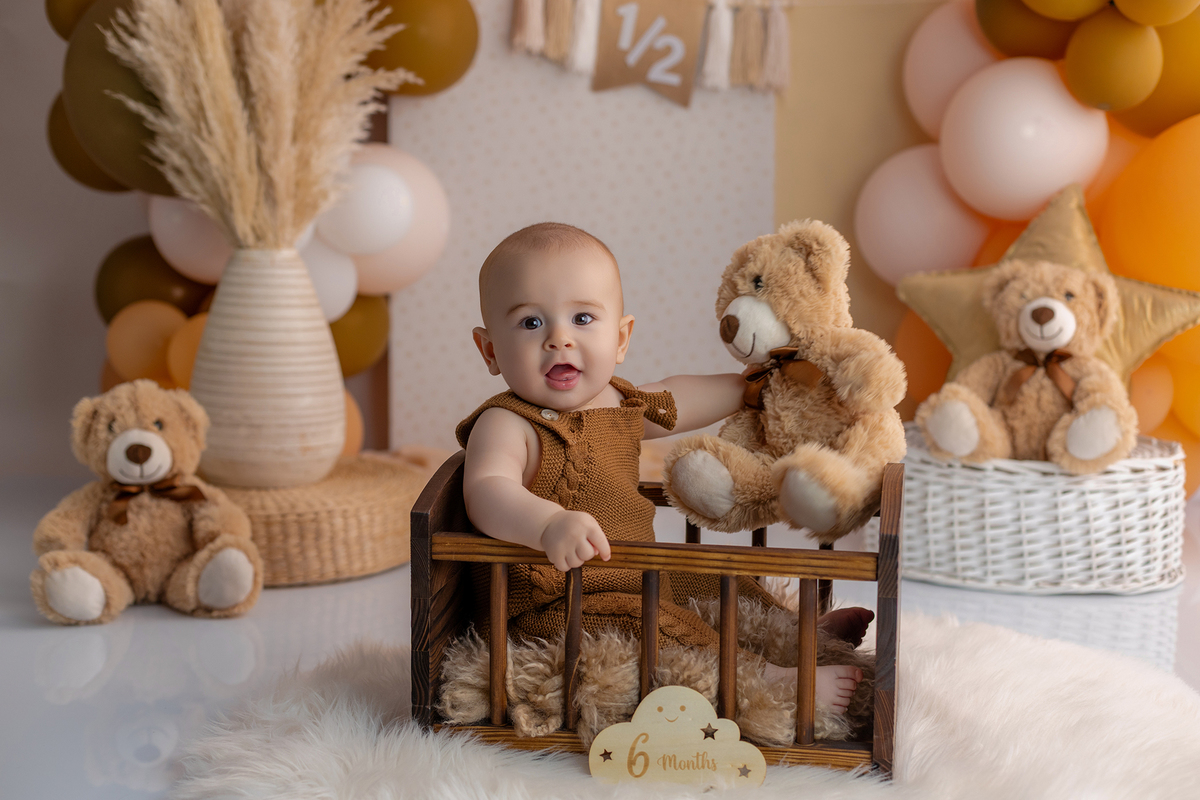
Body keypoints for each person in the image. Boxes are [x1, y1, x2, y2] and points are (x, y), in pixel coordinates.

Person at [456, 222, 868, 713]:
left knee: (716, 579)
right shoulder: (507, 422)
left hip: (633, 570)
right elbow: (487, 489)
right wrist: (547, 524)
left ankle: (797, 632)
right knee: (653, 624)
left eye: (582, 318)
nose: (559, 339)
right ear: (490, 350)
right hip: (558, 602)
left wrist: (752, 387)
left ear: (620, 338)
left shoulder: (616, 401)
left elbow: (678, 397)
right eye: (530, 323)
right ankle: (767, 677)